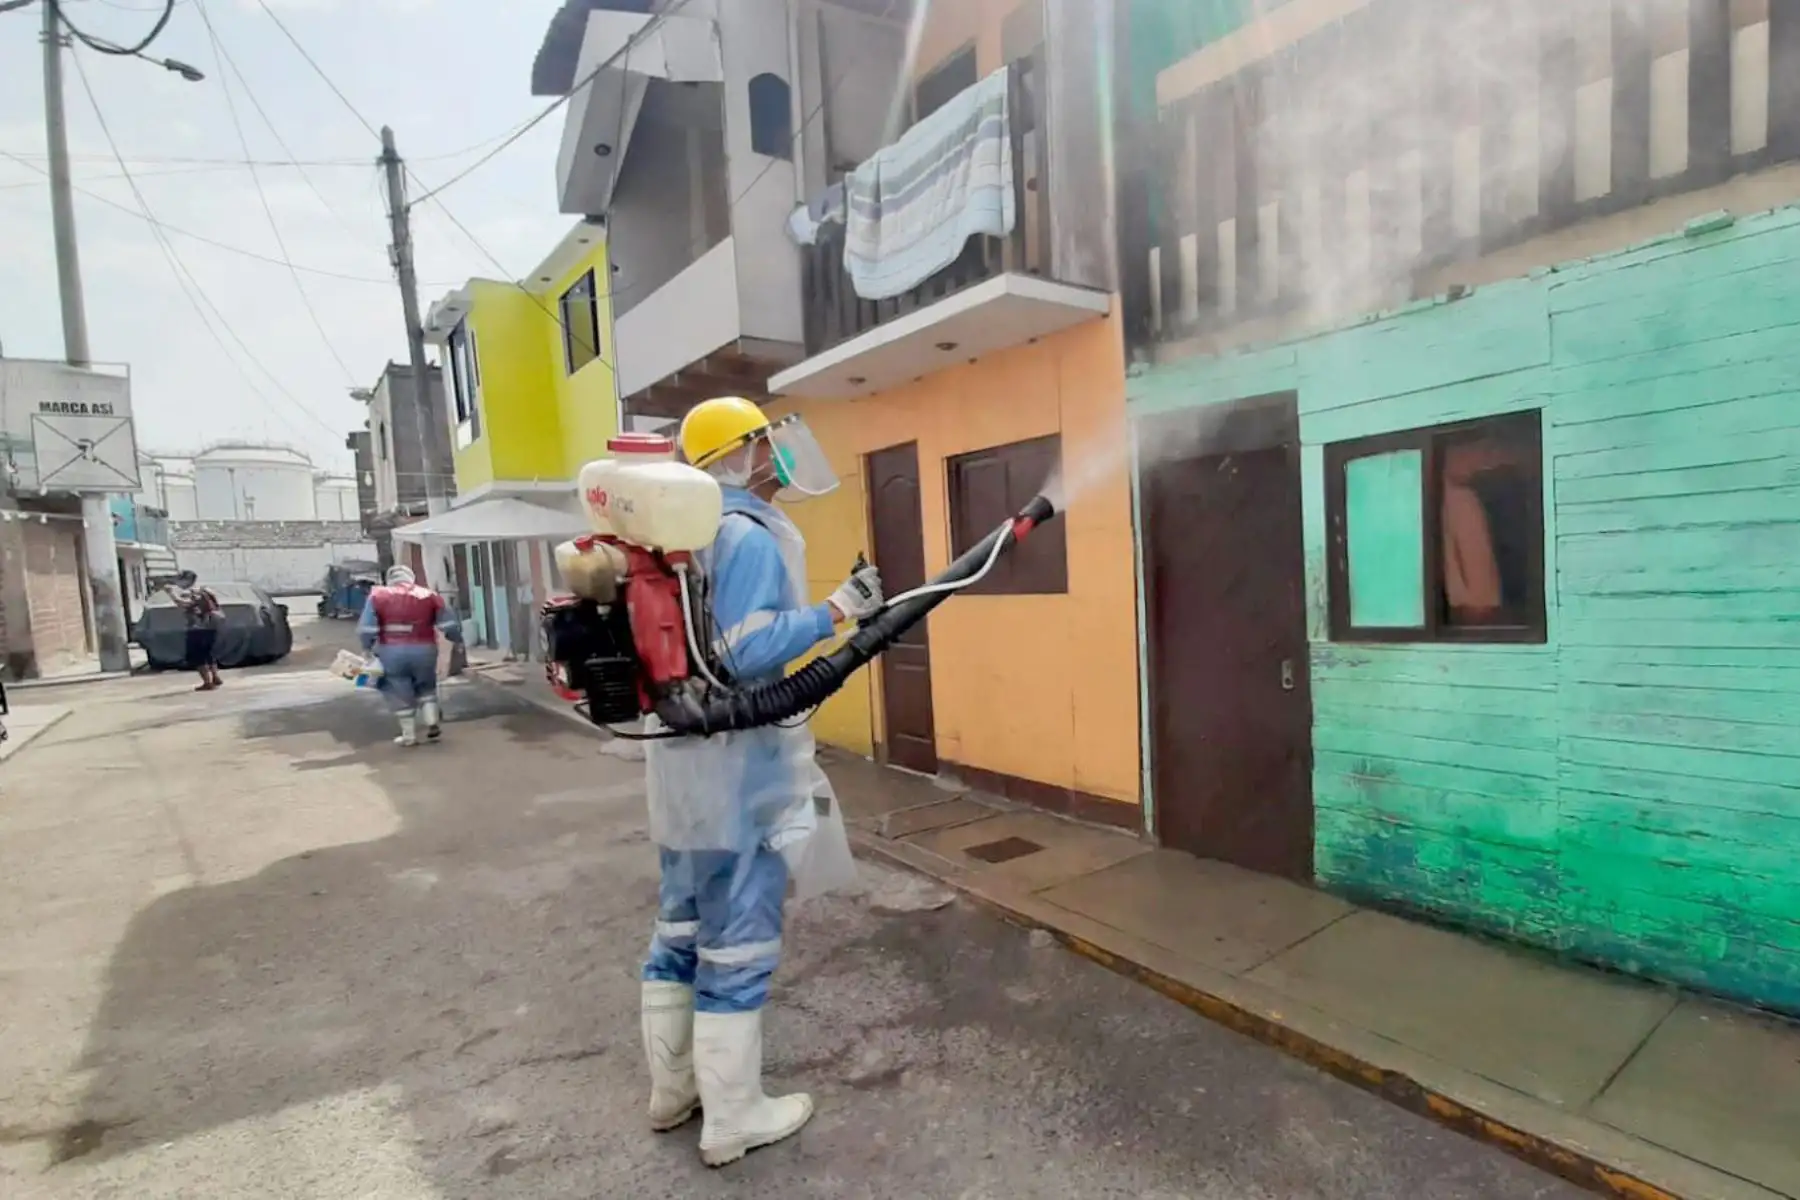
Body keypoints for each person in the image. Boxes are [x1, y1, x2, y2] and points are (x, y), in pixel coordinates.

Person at [640, 396, 883, 1168]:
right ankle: (735, 1115)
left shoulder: (686, 535)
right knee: (738, 939)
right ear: (741, 454)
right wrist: (837, 610)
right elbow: (747, 655)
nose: (780, 455)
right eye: (767, 442)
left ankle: (673, 1091)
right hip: (735, 770)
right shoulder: (744, 536)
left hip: (679, 769)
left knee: (678, 931)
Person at [357, 564, 463, 747]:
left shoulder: (377, 596)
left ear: (390, 579)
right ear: (411, 578)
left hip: (391, 651)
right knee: (426, 686)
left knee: (398, 688)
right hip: (425, 649)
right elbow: (449, 624)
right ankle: (432, 722)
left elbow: (367, 628)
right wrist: (457, 640)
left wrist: (366, 648)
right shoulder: (429, 595)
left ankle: (409, 736)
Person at [165, 571, 224, 691]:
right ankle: (215, 677)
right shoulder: (205, 589)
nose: (177, 583)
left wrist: (171, 594)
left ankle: (207, 682)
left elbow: (185, 604)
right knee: (209, 654)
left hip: (197, 628)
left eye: (179, 579)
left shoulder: (191, 592)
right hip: (211, 626)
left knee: (198, 656)